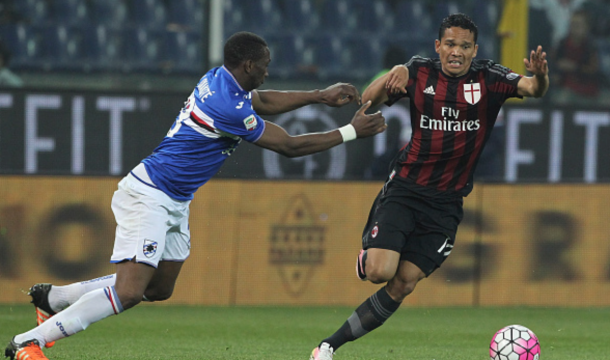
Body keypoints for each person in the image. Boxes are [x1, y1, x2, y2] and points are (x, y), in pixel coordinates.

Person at [4, 31, 387, 360]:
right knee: (130, 290)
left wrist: (319, 96)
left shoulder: (221, 79)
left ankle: (54, 300)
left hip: (173, 200)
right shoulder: (227, 106)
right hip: (150, 194)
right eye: (266, 64)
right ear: (250, 66)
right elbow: (289, 147)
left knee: (159, 288)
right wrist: (351, 132)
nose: (269, 71)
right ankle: (28, 343)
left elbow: (265, 101)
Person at [309, 13, 549, 360]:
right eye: (450, 44)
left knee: (403, 283)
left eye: (465, 46)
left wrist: (540, 75)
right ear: (438, 46)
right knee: (378, 271)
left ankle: (328, 346)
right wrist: (394, 72)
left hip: (446, 205)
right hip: (407, 187)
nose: (456, 52)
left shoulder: (489, 78)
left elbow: (532, 89)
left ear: (474, 50)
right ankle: (368, 254)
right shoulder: (419, 72)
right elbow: (369, 99)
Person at [550, 9, 602, 105]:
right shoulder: (562, 43)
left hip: (588, 89)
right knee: (561, 99)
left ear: (586, 27)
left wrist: (574, 67)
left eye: (578, 25)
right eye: (572, 25)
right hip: (566, 88)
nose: (574, 28)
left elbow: (594, 71)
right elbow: (553, 64)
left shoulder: (591, 46)